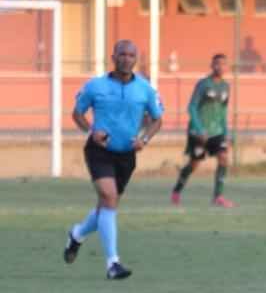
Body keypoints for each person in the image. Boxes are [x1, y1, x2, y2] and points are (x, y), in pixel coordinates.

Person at [63, 39, 164, 280]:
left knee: (106, 207)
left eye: (131, 55)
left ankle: (77, 234)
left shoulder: (145, 89)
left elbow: (157, 119)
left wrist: (144, 139)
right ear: (113, 56)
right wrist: (91, 132)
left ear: (135, 59)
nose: (126, 58)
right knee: (108, 198)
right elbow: (77, 113)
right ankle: (113, 264)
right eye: (122, 54)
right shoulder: (95, 86)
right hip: (99, 151)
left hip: (126, 155)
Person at [171, 53, 235, 208]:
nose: (220, 67)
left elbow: (223, 111)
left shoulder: (226, 87)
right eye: (217, 64)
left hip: (217, 132)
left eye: (223, 64)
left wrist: (226, 133)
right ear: (212, 66)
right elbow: (192, 107)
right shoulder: (203, 84)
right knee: (194, 164)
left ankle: (218, 196)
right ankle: (177, 190)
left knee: (223, 157)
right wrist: (199, 129)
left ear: (227, 67)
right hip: (198, 133)